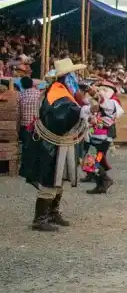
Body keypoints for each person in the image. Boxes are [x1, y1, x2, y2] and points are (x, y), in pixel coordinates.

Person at [19, 58, 93, 232]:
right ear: (66, 77)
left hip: (60, 141)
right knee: (51, 176)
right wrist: (84, 110)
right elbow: (61, 114)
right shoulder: (58, 92)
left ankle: (52, 212)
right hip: (52, 142)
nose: (75, 77)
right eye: (73, 74)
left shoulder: (62, 90)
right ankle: (40, 218)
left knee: (58, 176)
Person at [84, 82, 124, 195]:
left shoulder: (111, 103)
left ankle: (105, 180)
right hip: (98, 136)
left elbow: (100, 99)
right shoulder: (105, 103)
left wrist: (91, 91)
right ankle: (101, 184)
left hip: (102, 137)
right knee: (95, 160)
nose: (101, 91)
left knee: (91, 160)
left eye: (104, 89)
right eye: (100, 89)